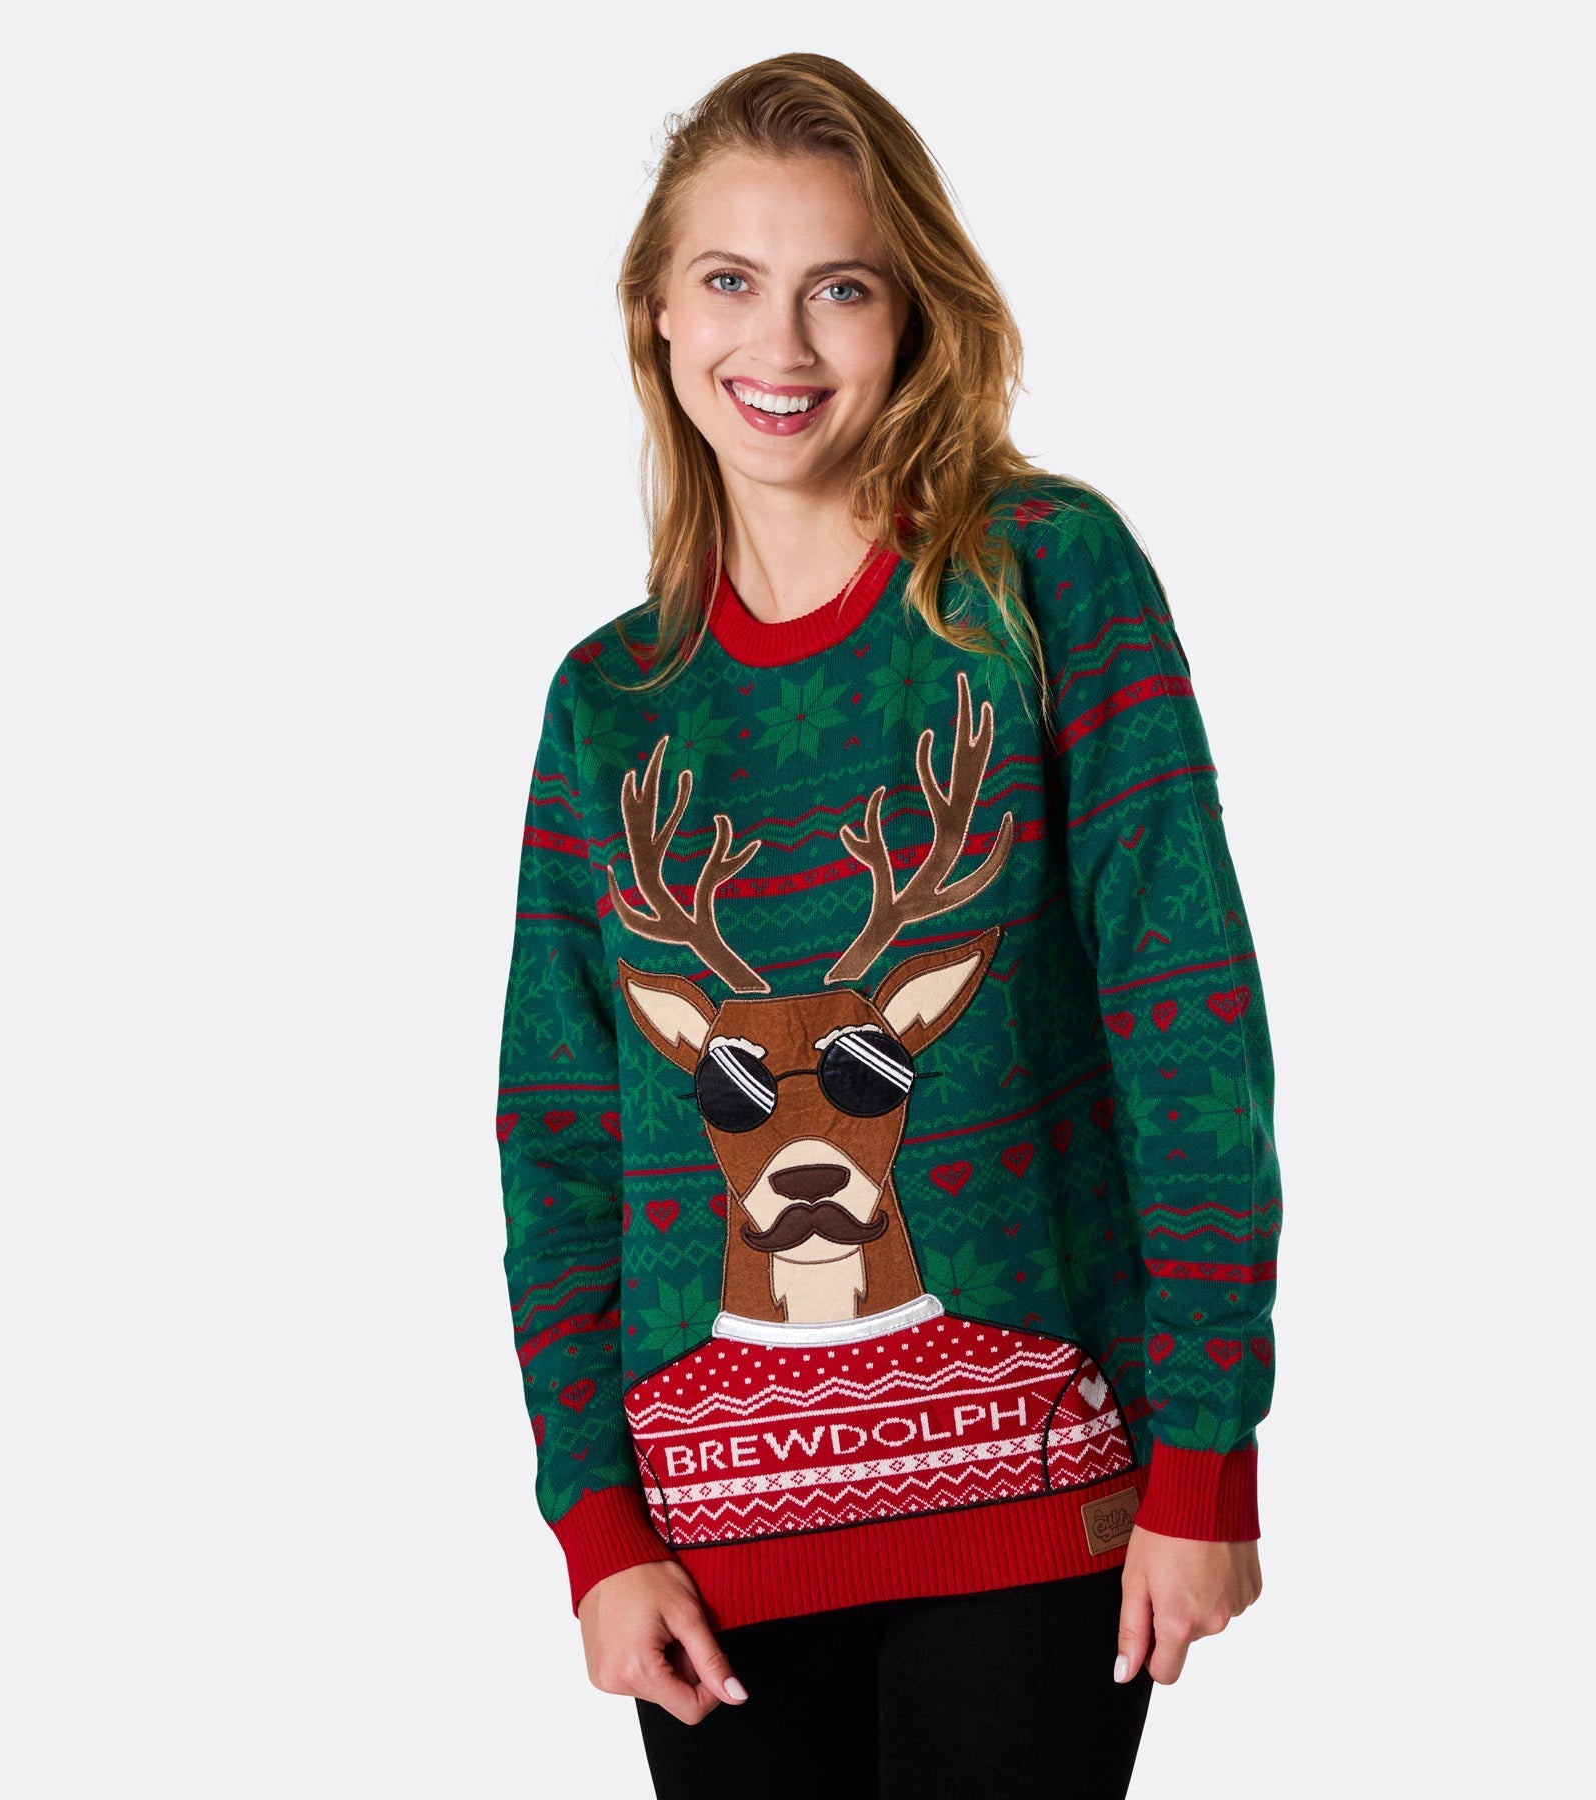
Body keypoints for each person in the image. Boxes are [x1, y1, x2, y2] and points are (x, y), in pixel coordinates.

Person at [495, 53, 1279, 1800]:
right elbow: (557, 1138)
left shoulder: (1043, 580)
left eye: (838, 287)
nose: (778, 345)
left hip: (1037, 1511)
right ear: (656, 310)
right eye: (729, 280)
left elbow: (1186, 1020)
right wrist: (595, 1525)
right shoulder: (607, 705)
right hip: (710, 1555)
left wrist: (1206, 1454)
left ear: (910, 313)